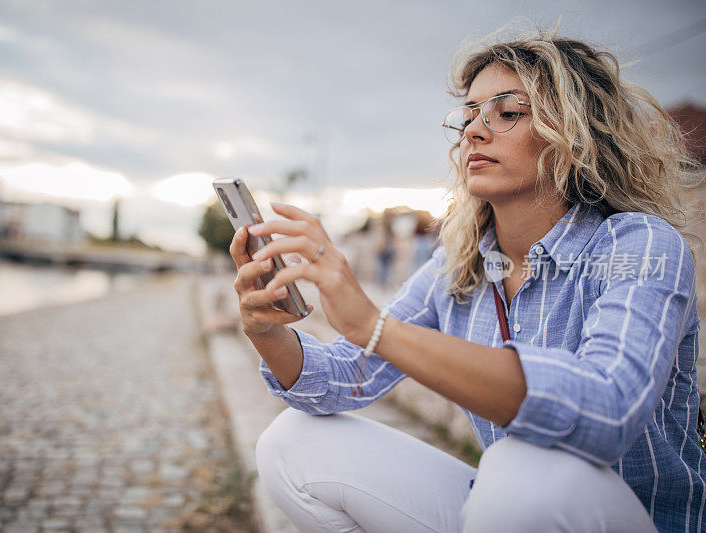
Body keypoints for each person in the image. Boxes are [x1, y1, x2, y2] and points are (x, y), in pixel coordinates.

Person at [228, 29, 703, 533]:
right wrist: (266, 331)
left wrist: (374, 324)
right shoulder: (457, 267)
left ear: (575, 132)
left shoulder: (640, 246)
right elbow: (344, 378)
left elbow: (608, 412)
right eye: (470, 114)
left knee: (521, 465)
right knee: (291, 445)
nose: (475, 130)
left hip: (628, 518)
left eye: (507, 112)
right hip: (504, 505)